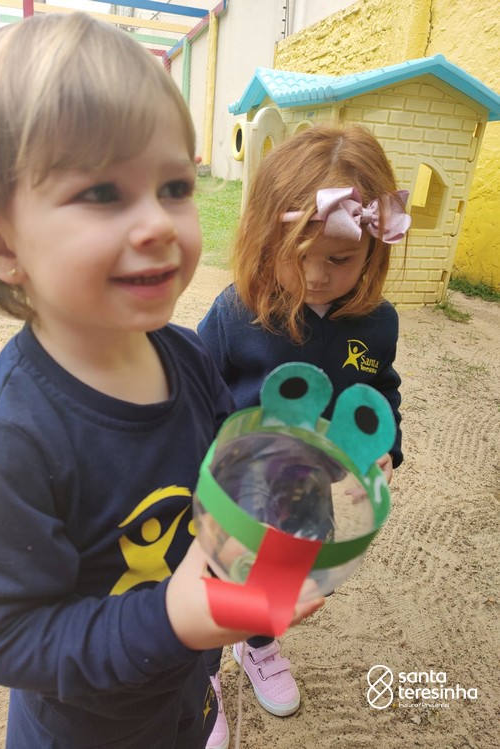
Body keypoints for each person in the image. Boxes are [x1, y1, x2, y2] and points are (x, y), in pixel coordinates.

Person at [0, 14, 323, 749]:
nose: (158, 223)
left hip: (184, 695)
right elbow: (3, 637)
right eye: (102, 193)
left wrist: (277, 491)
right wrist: (174, 617)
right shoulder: (6, 446)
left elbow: (222, 464)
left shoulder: (186, 355)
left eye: (175, 185)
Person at [198, 124, 410, 732]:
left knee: (280, 583)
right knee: (218, 578)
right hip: (234, 489)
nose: (316, 276)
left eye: (339, 260)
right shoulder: (237, 311)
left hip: (310, 495)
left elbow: (380, 392)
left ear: (374, 250)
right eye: (298, 256)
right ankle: (202, 675)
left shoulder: (377, 323)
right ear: (267, 241)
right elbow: (194, 388)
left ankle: (258, 646)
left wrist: (384, 445)